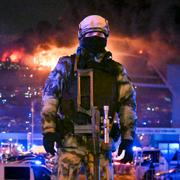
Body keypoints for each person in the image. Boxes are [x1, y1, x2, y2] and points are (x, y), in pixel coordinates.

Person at [41, 15, 137, 179]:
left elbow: (127, 105)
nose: (95, 40)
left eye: (98, 36)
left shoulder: (116, 70)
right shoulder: (67, 65)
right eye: (90, 36)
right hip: (74, 144)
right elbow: (50, 98)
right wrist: (49, 131)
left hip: (98, 146)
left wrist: (128, 139)